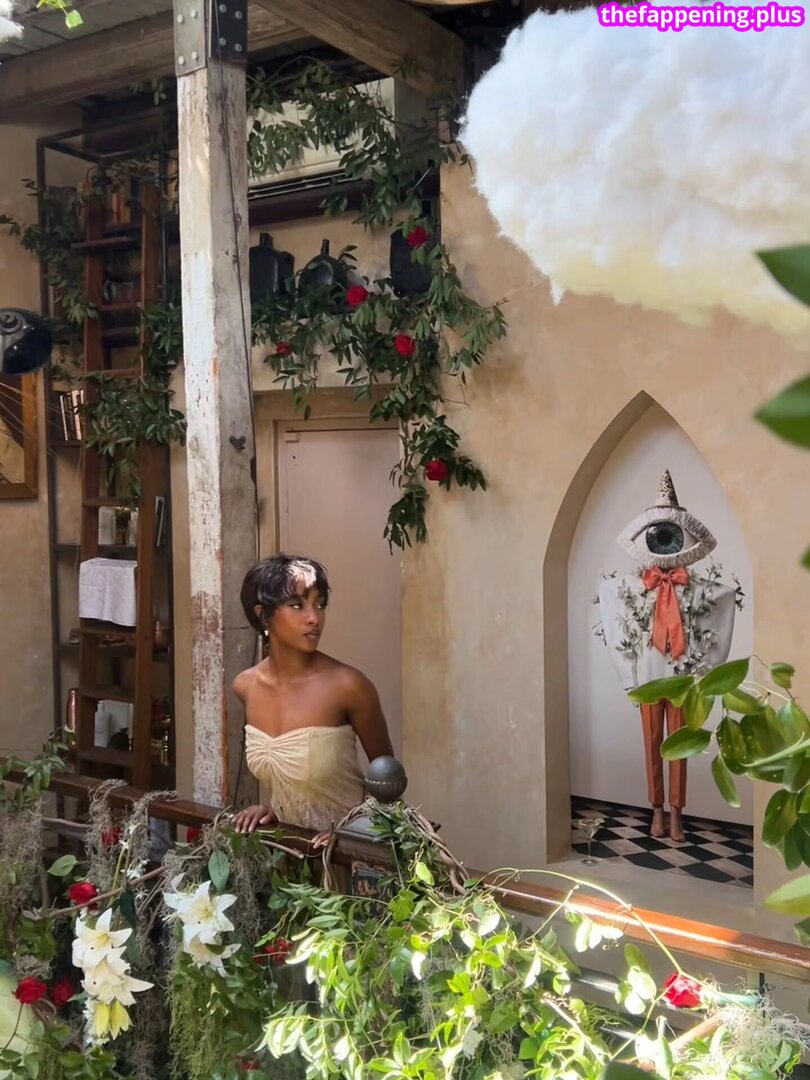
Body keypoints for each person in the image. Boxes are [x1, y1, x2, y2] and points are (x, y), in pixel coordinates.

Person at [231, 554, 394, 834]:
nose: (314, 618)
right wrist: (271, 810)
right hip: (287, 849)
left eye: (320, 604)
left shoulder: (349, 686)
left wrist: (349, 834)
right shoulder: (245, 686)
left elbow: (389, 790)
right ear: (263, 615)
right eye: (297, 605)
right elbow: (293, 787)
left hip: (349, 852)